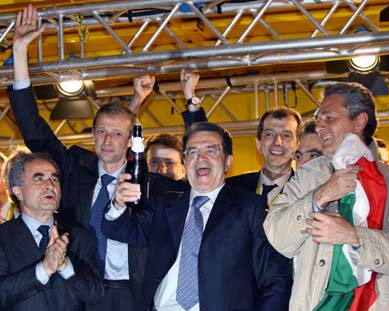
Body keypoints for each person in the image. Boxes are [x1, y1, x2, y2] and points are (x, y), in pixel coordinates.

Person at [7, 5, 183, 310]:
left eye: (116, 134)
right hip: (77, 289)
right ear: (92, 134)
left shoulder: (149, 183)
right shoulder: (75, 168)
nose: (107, 140)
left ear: (130, 141)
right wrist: (20, 49)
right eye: (101, 132)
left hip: (134, 293)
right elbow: (32, 126)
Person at [103, 122, 293, 311]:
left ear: (228, 161)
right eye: (192, 152)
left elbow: (276, 280)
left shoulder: (249, 208)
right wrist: (118, 204)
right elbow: (120, 230)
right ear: (185, 164)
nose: (200, 157)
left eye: (211, 150)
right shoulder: (164, 204)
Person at [265, 82, 389, 310]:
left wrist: (354, 236)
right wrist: (321, 195)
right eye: (318, 119)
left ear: (359, 122)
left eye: (329, 118)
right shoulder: (308, 175)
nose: (320, 127)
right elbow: (277, 236)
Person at [0, 152, 103, 310]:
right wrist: (44, 269)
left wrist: (65, 265)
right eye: (39, 179)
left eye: (54, 179)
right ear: (18, 191)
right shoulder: (3, 238)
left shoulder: (79, 237)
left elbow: (95, 294)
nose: (50, 185)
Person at [227, 108, 302, 206]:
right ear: (258, 144)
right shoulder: (230, 189)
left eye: (286, 135)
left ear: (297, 146)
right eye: (269, 134)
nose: (277, 142)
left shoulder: (306, 192)